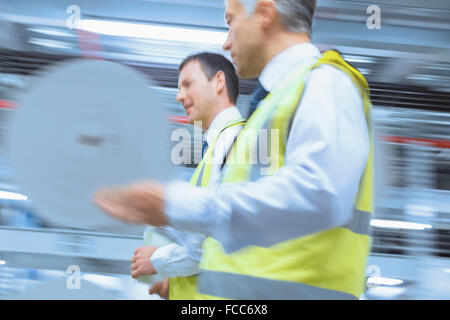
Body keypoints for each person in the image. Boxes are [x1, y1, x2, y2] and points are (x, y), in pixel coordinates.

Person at [95, 0, 374, 300]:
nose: (226, 43)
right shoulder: (270, 108)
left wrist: (174, 207)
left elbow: (321, 194)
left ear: (265, 13)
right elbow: (236, 234)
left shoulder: (325, 82)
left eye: (231, 22)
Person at [129, 52, 245, 299]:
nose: (179, 95)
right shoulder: (215, 149)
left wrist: (158, 260)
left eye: (187, 84)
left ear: (218, 82)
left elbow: (214, 239)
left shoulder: (231, 142)